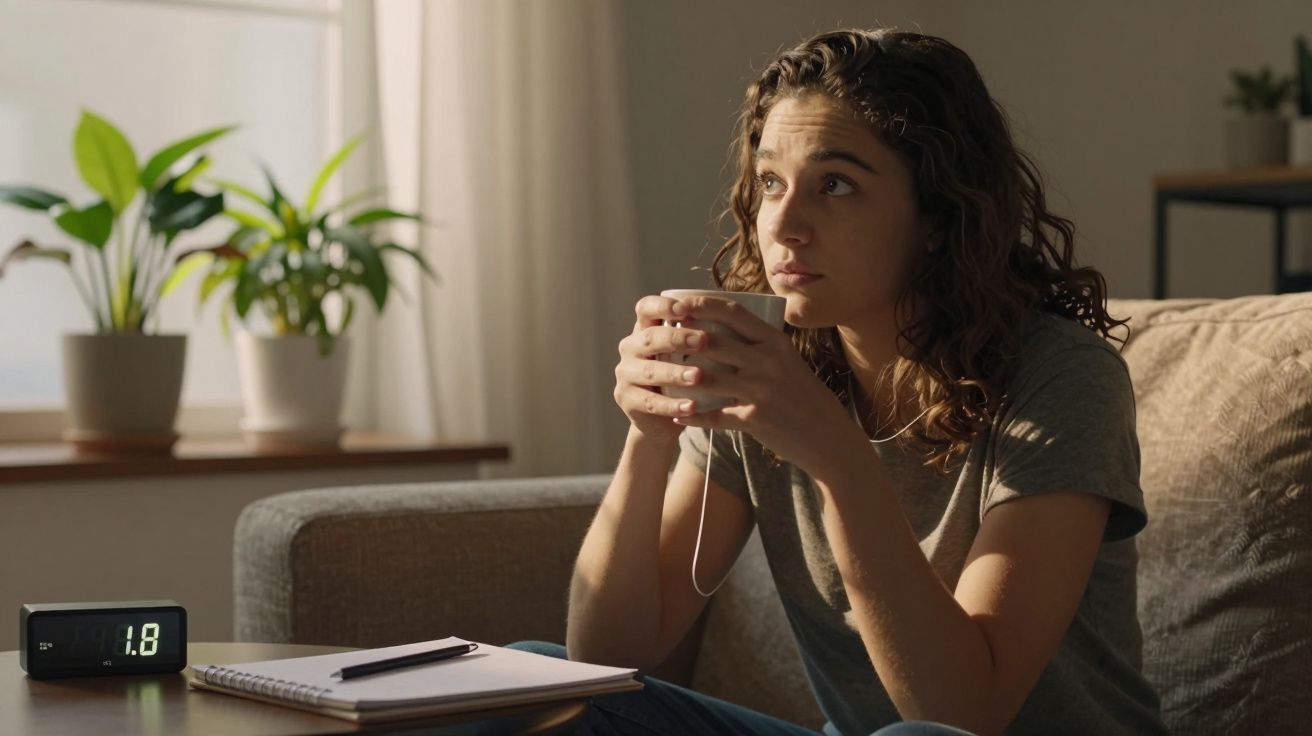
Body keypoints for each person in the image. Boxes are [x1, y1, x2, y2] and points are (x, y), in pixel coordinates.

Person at [510, 27, 1166, 736]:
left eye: (835, 185)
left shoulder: (1063, 380)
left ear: (938, 214)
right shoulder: (763, 366)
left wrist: (835, 456)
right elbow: (605, 658)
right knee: (532, 686)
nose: (784, 224)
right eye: (770, 182)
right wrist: (649, 435)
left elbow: (962, 715)